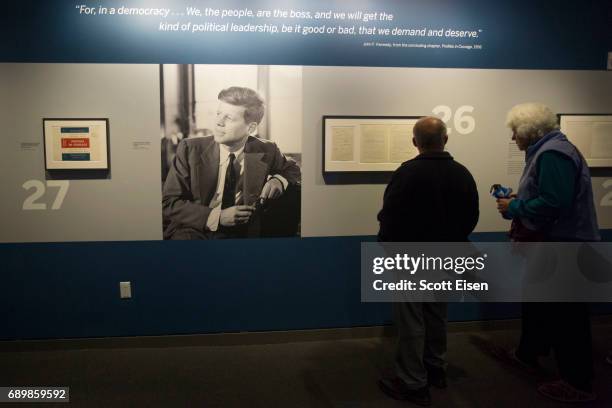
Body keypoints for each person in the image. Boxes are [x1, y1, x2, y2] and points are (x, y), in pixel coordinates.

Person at [495, 102, 599, 403]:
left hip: (563, 245)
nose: (513, 139)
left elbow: (555, 203)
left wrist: (515, 207)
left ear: (528, 131)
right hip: (553, 243)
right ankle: (528, 354)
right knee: (539, 303)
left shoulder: (553, 154)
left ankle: (578, 383)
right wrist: (522, 199)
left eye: (515, 132)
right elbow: (549, 196)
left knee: (568, 317)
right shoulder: (550, 150)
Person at [377, 117, 479, 406]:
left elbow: (390, 215)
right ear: (446, 139)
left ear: (414, 142)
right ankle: (436, 369)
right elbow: (471, 217)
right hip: (448, 255)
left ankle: (413, 383)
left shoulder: (407, 173)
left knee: (411, 321)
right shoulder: (462, 173)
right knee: (437, 314)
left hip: (410, 257)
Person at [162, 86, 301, 239]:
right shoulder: (190, 149)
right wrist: (217, 217)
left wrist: (279, 180)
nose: (218, 122)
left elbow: (293, 169)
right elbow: (169, 202)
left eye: (228, 118)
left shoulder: (267, 149)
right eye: (218, 114)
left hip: (244, 235)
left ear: (251, 128)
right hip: (195, 230)